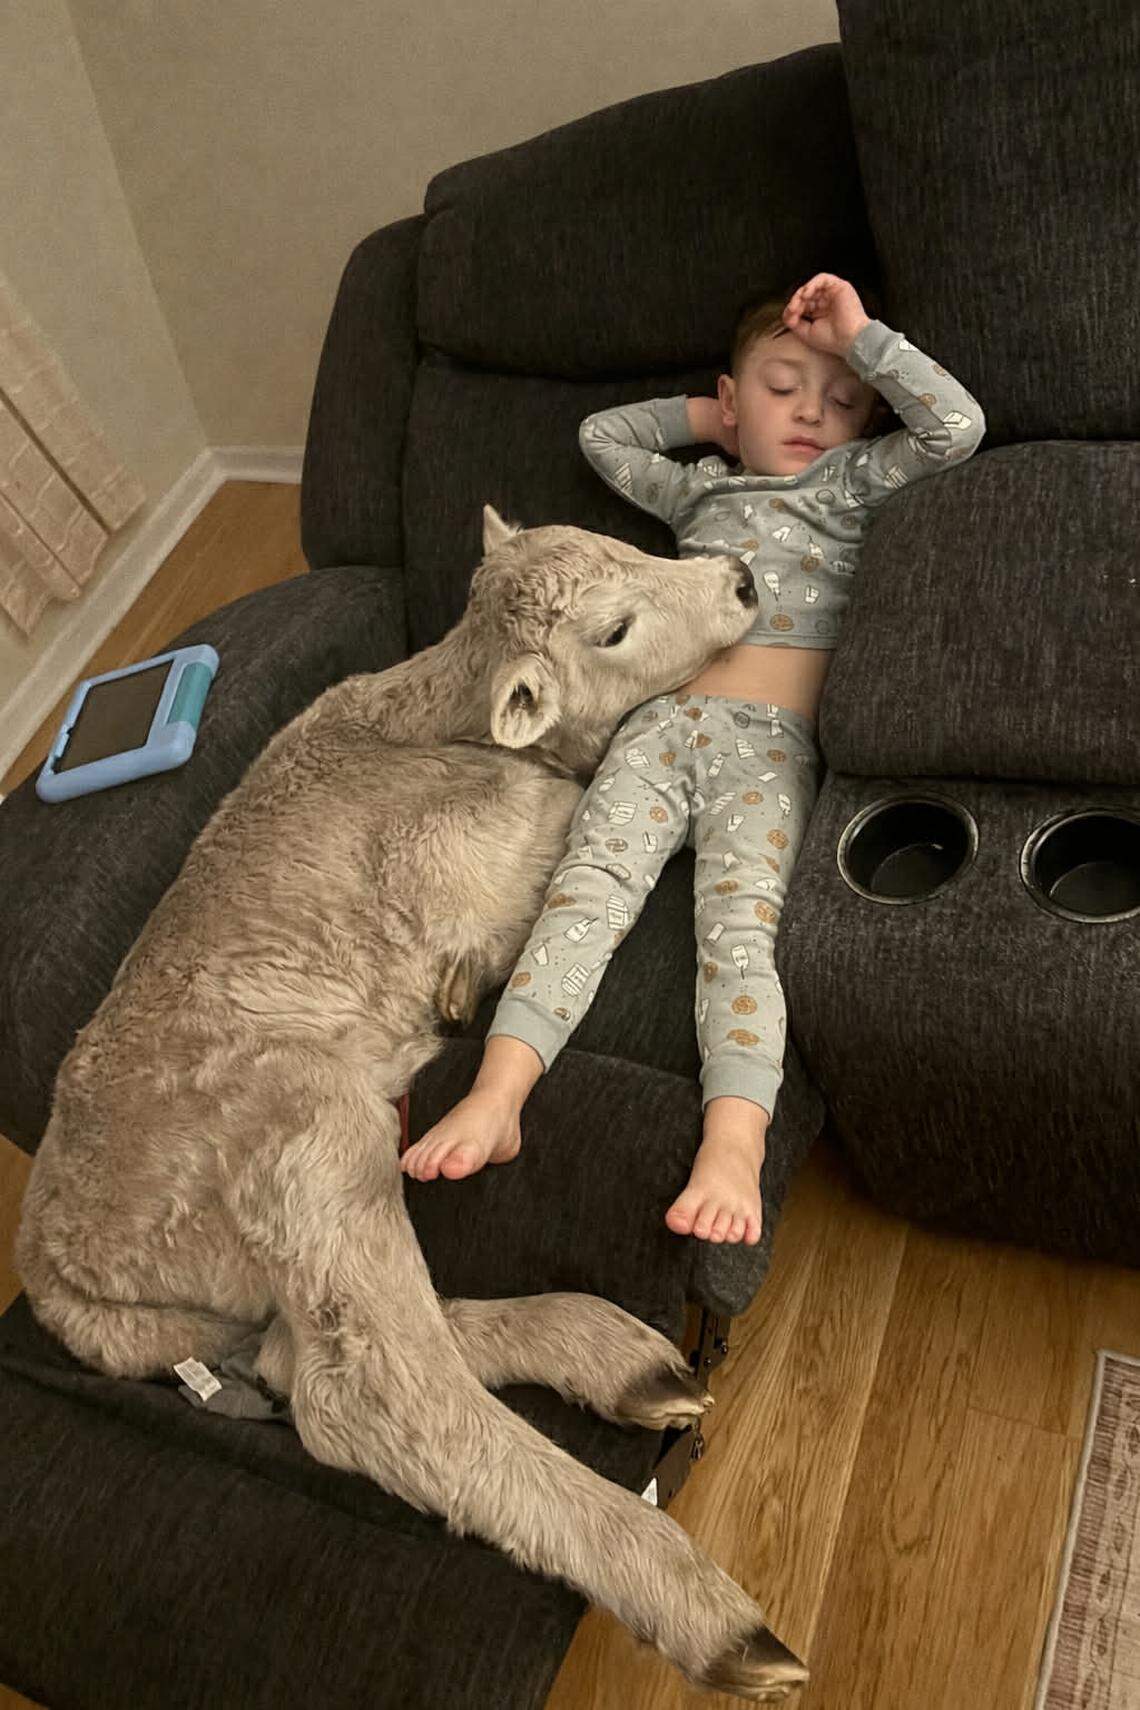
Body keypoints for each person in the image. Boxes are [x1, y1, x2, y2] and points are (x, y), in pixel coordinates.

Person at [401, 273, 985, 1247]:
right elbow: (602, 438)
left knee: (741, 938)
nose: (812, 411)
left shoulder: (847, 483)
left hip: (770, 755)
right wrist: (708, 421)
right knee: (584, 897)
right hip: (660, 731)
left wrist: (862, 339)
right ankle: (499, 1096)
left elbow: (956, 429)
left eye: (842, 399)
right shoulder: (698, 488)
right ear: (731, 400)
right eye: (783, 387)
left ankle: (734, 1144)